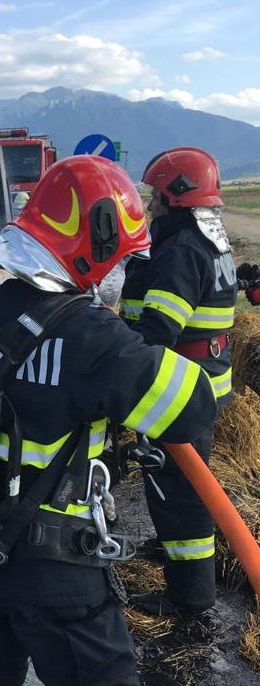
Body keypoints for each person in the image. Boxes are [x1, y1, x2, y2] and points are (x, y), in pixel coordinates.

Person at [0, 155, 217, 686]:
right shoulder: (95, 338)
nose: (119, 273)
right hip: (56, 573)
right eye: (118, 258)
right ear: (91, 243)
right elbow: (193, 408)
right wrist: (140, 346)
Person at [120, 147, 237, 616]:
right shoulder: (207, 238)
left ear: (177, 196)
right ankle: (175, 552)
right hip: (201, 381)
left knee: (181, 491)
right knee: (170, 484)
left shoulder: (182, 250)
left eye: (155, 195)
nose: (150, 204)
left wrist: (114, 359)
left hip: (179, 388)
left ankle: (190, 596)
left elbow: (158, 331)